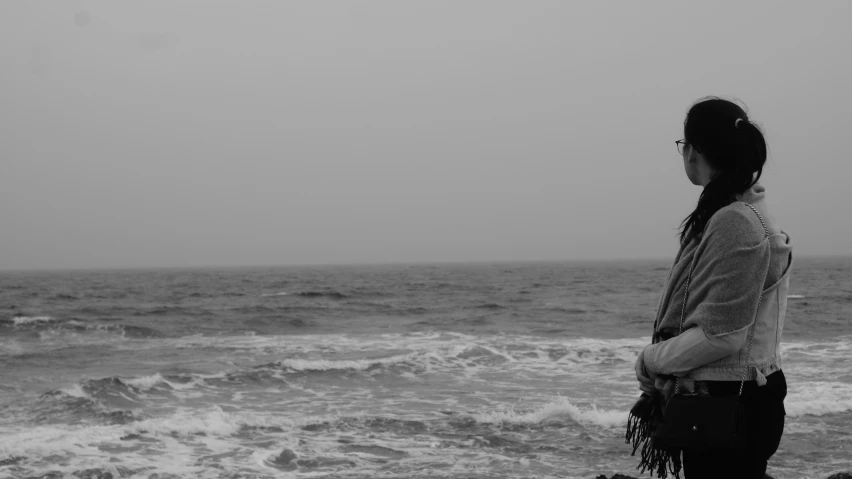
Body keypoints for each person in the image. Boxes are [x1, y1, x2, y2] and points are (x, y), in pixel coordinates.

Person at [633, 97, 793, 478]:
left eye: (683, 145)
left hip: (730, 406)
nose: (683, 154)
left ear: (694, 151)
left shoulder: (735, 221)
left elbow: (722, 336)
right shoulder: (733, 213)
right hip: (736, 402)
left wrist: (650, 359)